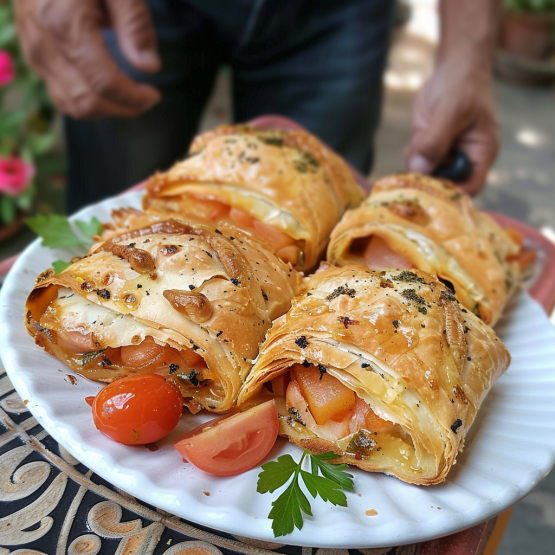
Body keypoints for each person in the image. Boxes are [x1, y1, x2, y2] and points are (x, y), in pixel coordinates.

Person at [15, 0, 500, 212]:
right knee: (113, 199)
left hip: (340, 12)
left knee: (331, 208)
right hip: (139, 8)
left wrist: (468, 54)